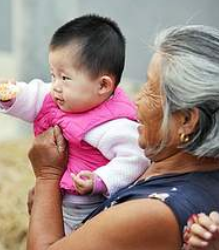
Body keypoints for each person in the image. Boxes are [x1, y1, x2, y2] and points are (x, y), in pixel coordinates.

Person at [26, 24, 219, 249]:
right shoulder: (176, 168)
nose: (137, 99)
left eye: (149, 89)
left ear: (187, 121)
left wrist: (47, 178)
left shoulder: (151, 212)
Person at [0, 14, 149, 233]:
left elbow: (135, 158)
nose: (55, 85)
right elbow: (35, 94)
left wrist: (101, 180)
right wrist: (12, 94)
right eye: (53, 74)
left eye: (64, 78)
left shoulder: (114, 124)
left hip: (89, 207)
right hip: (59, 196)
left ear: (102, 85)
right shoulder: (64, 96)